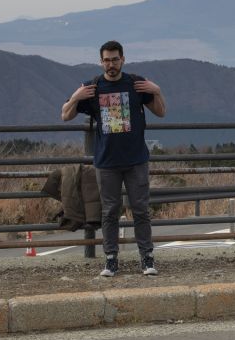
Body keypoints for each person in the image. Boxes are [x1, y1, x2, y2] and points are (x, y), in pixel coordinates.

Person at [61, 40, 166, 277]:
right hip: (107, 162)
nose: (111, 64)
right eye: (106, 60)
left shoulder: (136, 84)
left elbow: (161, 112)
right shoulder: (92, 87)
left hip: (136, 159)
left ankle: (147, 258)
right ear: (101, 62)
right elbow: (65, 115)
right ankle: (110, 260)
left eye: (115, 59)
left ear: (123, 60)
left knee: (140, 210)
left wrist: (156, 91)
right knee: (109, 212)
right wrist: (76, 96)